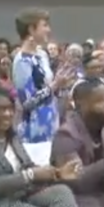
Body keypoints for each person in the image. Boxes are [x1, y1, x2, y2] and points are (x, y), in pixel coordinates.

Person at [13, 8, 72, 143]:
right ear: (31, 29)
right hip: (35, 128)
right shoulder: (22, 60)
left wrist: (60, 84)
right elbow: (27, 102)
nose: (49, 30)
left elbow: (48, 88)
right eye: (44, 25)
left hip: (51, 121)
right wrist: (54, 85)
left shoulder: (42, 54)